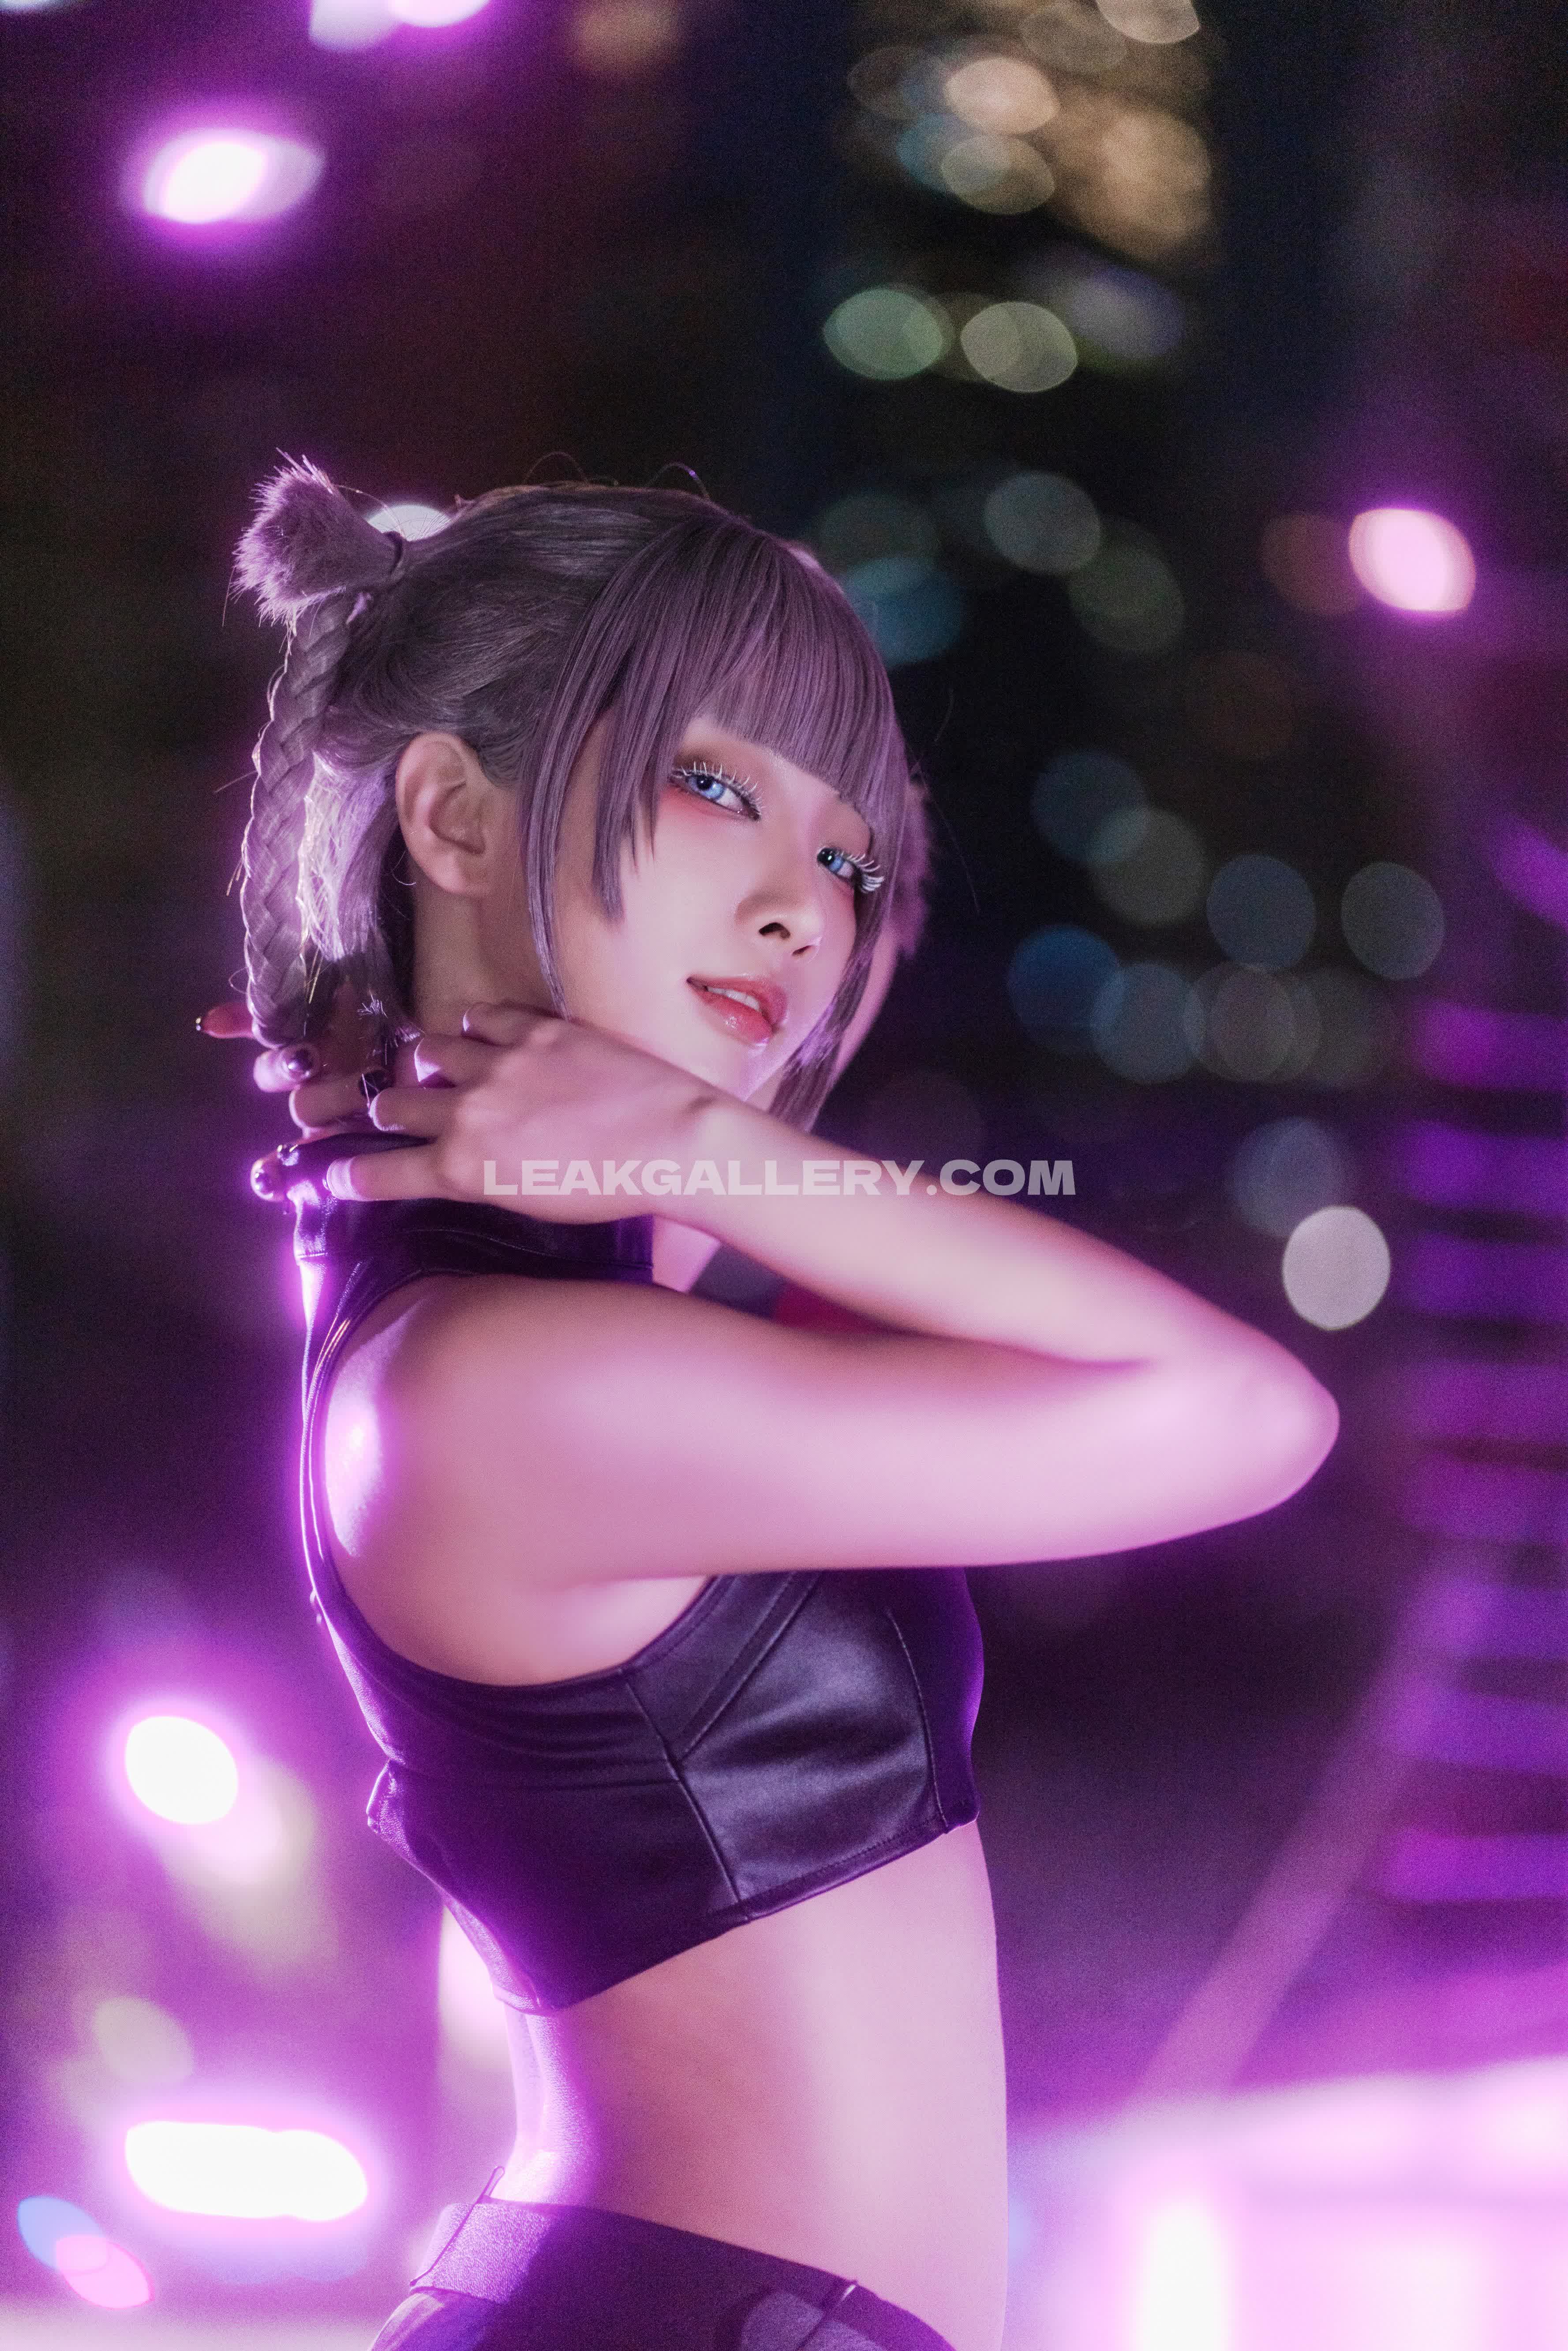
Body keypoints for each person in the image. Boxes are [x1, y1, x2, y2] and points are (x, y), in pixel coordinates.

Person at [212, 461, 1337, 2351]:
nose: (804, 911)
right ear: (455, 815)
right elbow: (1246, 1417)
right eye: (719, 788)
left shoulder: (543, 1313)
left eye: (848, 857)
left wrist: (656, 1142)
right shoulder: (501, 1381)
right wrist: (693, 1141)